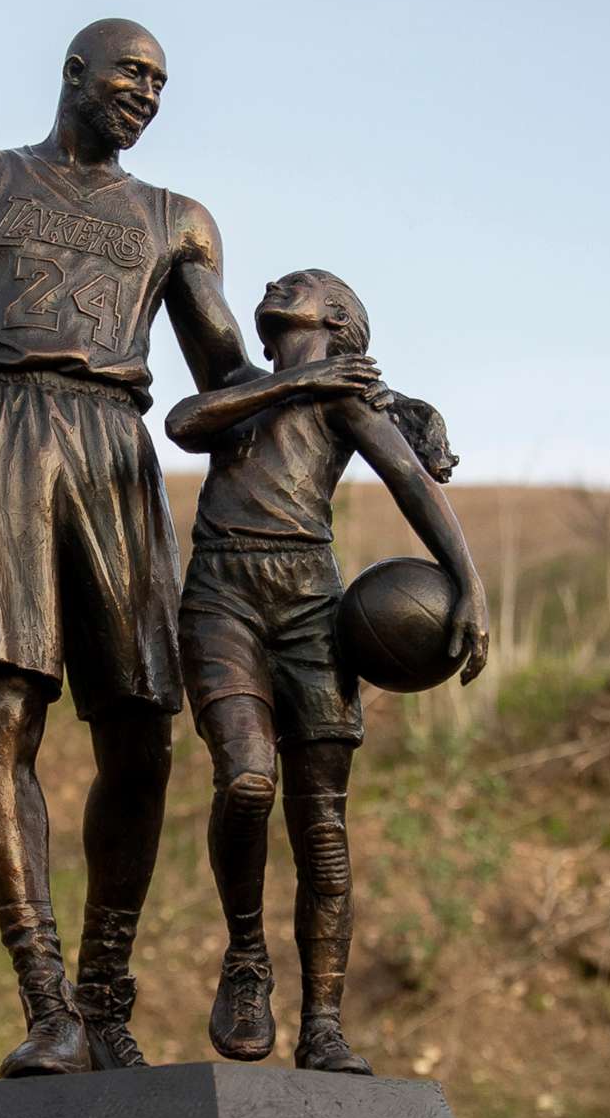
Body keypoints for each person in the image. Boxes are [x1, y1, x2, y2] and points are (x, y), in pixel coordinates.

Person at [0, 20, 259, 1077]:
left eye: (163, 82)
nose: (148, 93)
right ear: (75, 73)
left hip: (114, 445)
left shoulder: (178, 223)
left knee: (142, 728)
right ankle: (46, 1001)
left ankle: (104, 993)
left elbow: (229, 375)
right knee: (8, 707)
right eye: (131, 72)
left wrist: (344, 388)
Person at [163, 270, 488, 1074]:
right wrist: (300, 379)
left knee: (325, 836)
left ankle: (325, 1023)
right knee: (245, 779)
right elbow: (182, 422)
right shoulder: (242, 386)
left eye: (299, 283)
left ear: (338, 318)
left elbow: (410, 479)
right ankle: (246, 956)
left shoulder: (345, 401)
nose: (276, 281)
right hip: (222, 595)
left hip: (310, 605)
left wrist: (470, 585)